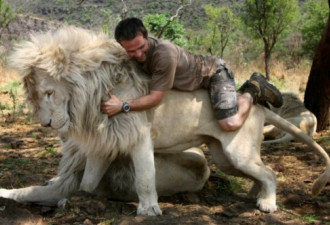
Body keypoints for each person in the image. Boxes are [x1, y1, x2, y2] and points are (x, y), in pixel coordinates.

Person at [101, 17, 283, 132]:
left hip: (213, 73)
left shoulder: (163, 54)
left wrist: (123, 105)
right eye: (131, 51)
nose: (138, 54)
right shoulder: (129, 54)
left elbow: (155, 98)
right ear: (122, 46)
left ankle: (253, 88)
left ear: (146, 36)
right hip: (192, 77)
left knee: (230, 123)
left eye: (141, 47)